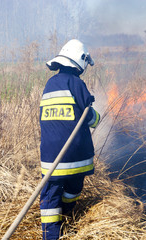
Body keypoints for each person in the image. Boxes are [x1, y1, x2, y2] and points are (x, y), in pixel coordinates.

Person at [39, 39, 100, 240]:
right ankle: (68, 215)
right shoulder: (76, 83)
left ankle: (51, 235)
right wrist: (97, 117)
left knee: (50, 198)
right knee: (73, 188)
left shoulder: (49, 85)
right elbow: (89, 117)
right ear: (80, 62)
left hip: (52, 158)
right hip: (77, 157)